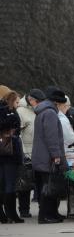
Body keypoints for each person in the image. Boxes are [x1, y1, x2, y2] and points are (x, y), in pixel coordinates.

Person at [32, 88, 67, 224]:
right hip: (48, 158)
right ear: (57, 103)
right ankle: (45, 216)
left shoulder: (42, 112)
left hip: (41, 156)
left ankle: (52, 214)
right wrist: (56, 155)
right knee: (49, 188)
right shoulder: (50, 113)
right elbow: (51, 137)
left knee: (48, 186)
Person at [16, 89, 46, 216]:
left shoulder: (39, 110)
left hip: (38, 151)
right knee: (25, 183)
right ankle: (24, 210)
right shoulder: (20, 111)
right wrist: (22, 152)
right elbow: (18, 134)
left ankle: (42, 208)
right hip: (26, 151)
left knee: (39, 181)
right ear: (31, 100)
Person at [0, 91, 25, 223]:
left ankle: (3, 215)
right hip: (9, 152)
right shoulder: (9, 112)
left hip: (2, 152)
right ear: (11, 101)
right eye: (16, 101)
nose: (18, 103)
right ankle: (11, 214)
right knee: (10, 184)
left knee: (2, 184)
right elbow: (14, 128)